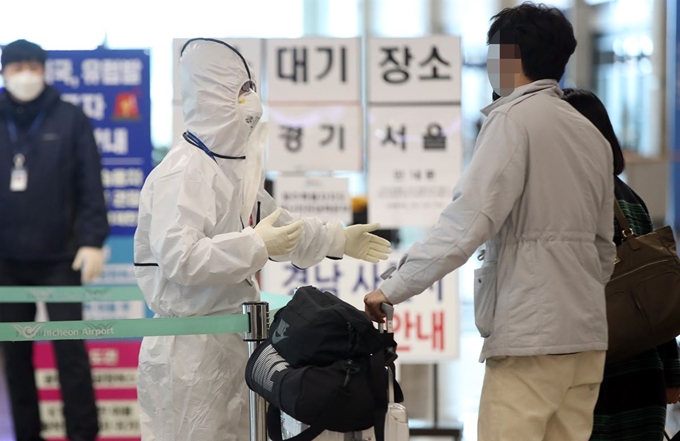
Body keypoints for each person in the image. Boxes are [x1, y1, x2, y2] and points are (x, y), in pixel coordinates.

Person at [364, 4, 616, 441]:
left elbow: (467, 223)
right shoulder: (589, 133)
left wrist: (393, 286)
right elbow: (604, 247)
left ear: (510, 59)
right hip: (586, 336)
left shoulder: (512, 121)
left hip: (529, 337)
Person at [133, 38, 391, 441]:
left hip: (235, 337)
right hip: (189, 351)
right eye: (241, 90)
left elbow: (278, 226)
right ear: (211, 95)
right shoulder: (182, 173)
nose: (252, 100)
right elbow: (180, 258)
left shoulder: (235, 168)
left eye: (252, 88)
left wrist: (336, 239)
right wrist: (255, 245)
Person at [0, 40, 108, 441]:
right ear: (4, 71)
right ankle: (27, 434)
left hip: (62, 257)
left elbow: (90, 184)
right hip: (5, 261)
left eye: (32, 65)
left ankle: (83, 434)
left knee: (70, 353)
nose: (24, 74)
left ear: (44, 70)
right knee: (14, 357)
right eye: (16, 66)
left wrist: (93, 240)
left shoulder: (70, 118)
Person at [562, 88, 680, 441]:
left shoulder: (570, 201)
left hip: (594, 374)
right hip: (643, 373)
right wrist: (672, 374)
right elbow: (654, 294)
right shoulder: (629, 197)